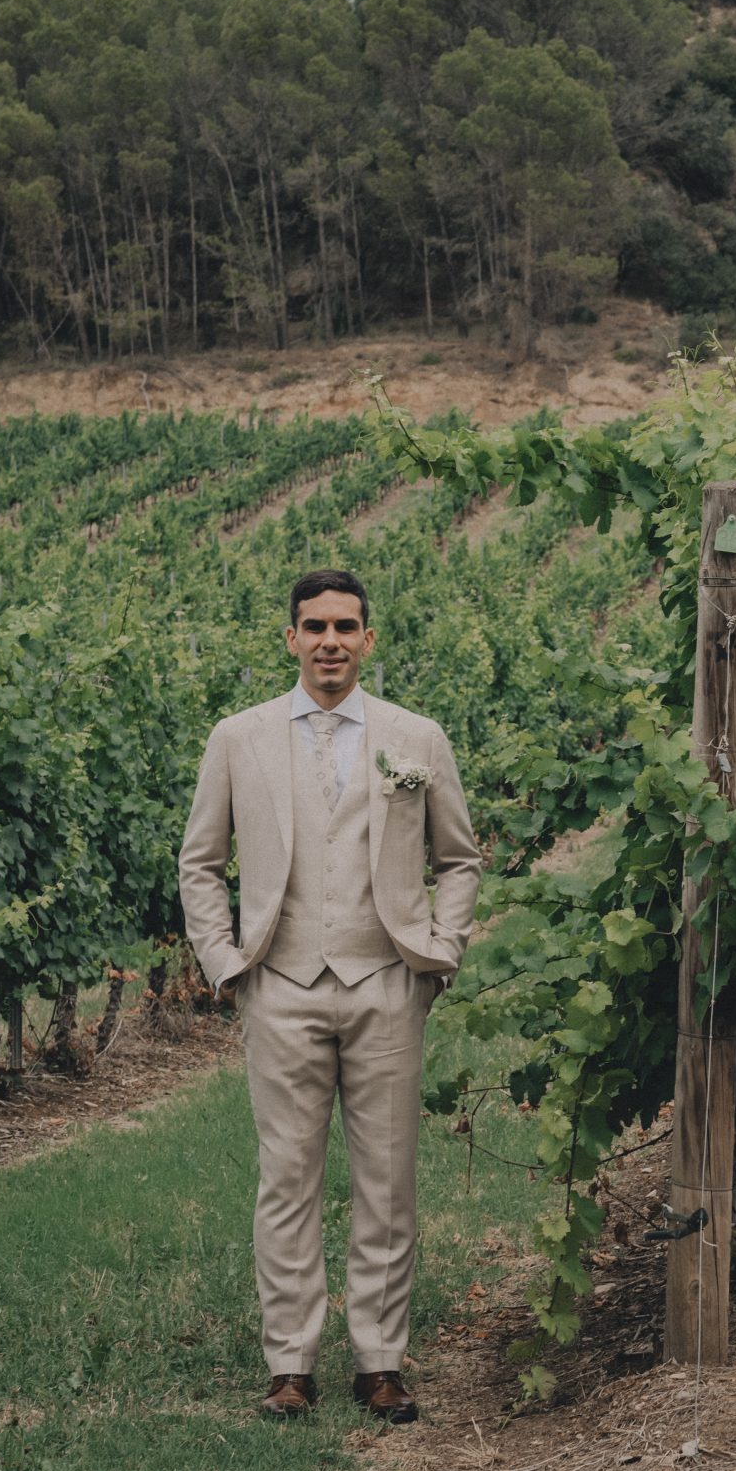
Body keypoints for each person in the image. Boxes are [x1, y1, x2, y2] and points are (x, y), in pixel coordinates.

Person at [178, 567, 481, 1423]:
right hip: (280, 985)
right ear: (291, 639)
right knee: (287, 1179)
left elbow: (459, 858)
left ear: (368, 639)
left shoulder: (416, 737)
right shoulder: (237, 737)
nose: (330, 642)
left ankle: (380, 1360)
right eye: (314, 626)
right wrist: (226, 963)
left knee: (387, 1180)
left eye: (346, 627)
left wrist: (439, 952)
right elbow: (200, 862)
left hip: (386, 981)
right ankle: (291, 1364)